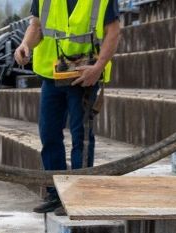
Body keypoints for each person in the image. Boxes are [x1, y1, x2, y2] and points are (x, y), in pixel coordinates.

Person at [13, 0, 122, 213]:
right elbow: (36, 26)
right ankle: (56, 194)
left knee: (80, 135)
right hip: (52, 75)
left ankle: (80, 195)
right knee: (49, 134)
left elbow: (114, 32)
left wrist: (98, 68)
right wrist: (25, 45)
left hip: (84, 75)